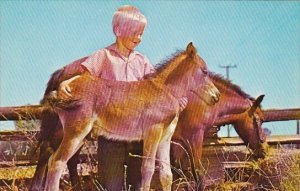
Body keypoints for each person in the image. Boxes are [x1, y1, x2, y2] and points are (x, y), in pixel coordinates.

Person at [55, 5, 187, 190]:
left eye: (141, 34)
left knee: (138, 183)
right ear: (117, 30)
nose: (138, 38)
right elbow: (84, 79)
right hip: (111, 138)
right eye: (134, 32)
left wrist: (176, 102)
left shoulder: (143, 62)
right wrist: (65, 83)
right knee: (112, 186)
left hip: (137, 138)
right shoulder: (103, 56)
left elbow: (158, 94)